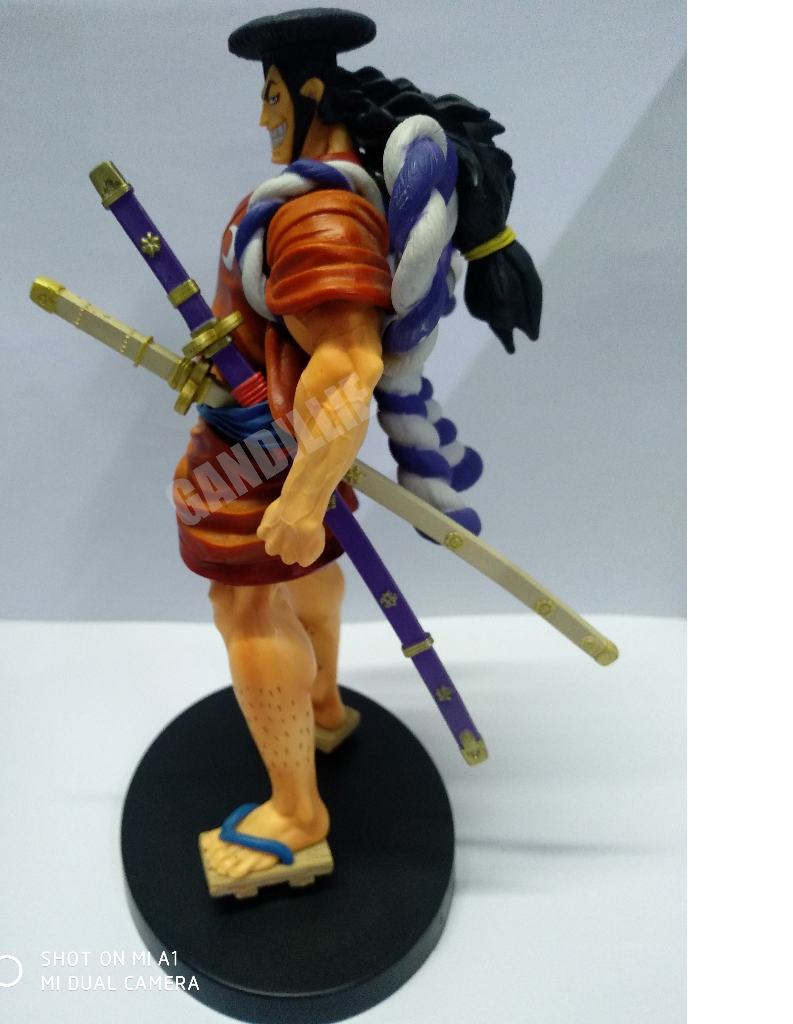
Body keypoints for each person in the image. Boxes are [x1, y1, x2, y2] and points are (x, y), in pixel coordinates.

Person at [180, 8, 542, 889]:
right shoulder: (315, 198)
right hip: (280, 445)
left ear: (311, 91)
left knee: (245, 607)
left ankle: (297, 817)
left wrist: (302, 498)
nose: (264, 117)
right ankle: (321, 705)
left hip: (260, 462)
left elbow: (348, 361)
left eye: (273, 96)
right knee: (300, 576)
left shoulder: (317, 213)